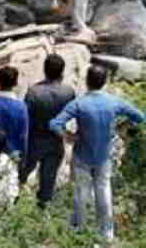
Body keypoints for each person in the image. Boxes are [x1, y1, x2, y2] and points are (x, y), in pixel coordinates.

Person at [50, 65, 144, 243]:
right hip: (104, 156)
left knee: (81, 195)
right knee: (104, 193)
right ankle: (107, 236)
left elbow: (55, 124)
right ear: (105, 82)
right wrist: (122, 128)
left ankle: (79, 232)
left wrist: (69, 136)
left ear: (87, 81)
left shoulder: (78, 103)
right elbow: (140, 116)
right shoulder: (114, 102)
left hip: (81, 156)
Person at [19, 54, 75, 209]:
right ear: (62, 72)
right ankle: (42, 218)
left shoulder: (33, 92)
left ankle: (11, 208)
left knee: (20, 177)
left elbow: (25, 120)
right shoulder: (69, 92)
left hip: (34, 141)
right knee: (47, 184)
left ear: (44, 70)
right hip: (56, 142)